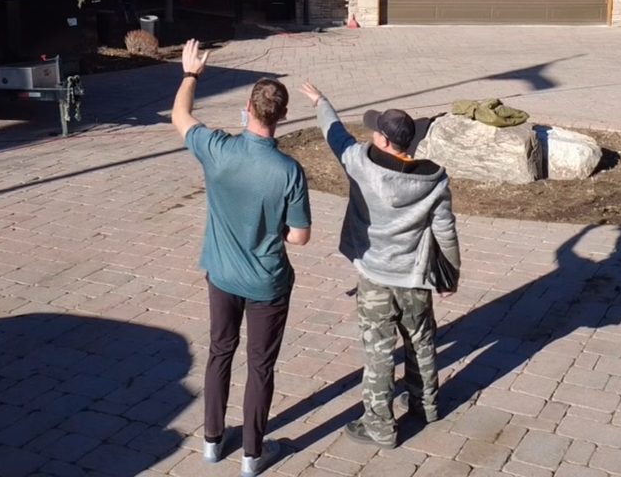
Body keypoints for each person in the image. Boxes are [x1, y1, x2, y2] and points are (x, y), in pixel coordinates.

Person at [172, 39, 310, 476]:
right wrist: (276, 229)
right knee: (260, 366)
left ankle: (212, 441)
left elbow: (180, 116)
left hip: (222, 275)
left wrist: (191, 74)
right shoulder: (289, 172)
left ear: (247, 109)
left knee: (219, 352)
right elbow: (301, 236)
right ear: (282, 116)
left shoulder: (218, 149)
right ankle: (253, 455)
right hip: (267, 283)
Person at [296, 80, 460, 448]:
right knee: (421, 341)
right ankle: (427, 405)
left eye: (374, 131)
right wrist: (449, 275)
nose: (369, 136)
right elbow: (446, 231)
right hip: (415, 277)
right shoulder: (433, 179)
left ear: (385, 141)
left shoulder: (360, 163)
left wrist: (321, 101)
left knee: (379, 351)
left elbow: (334, 134)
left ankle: (380, 426)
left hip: (374, 276)